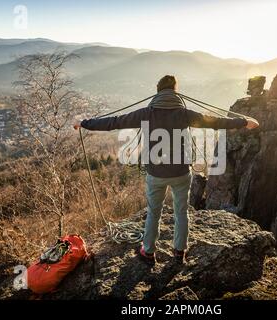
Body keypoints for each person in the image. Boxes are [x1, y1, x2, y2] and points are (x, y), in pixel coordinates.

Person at [74, 75, 259, 265]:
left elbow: (113, 122)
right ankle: (179, 252)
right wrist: (244, 122)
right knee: (181, 212)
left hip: (156, 174)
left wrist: (84, 123)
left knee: (154, 212)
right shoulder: (185, 114)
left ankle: (148, 252)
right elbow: (215, 122)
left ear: (158, 91)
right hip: (181, 173)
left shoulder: (147, 113)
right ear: (175, 91)